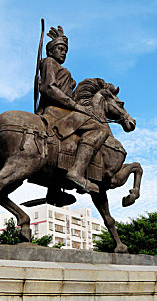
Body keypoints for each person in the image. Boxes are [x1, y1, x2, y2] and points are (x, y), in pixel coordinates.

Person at [36, 25, 109, 193]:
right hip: (56, 111)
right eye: (60, 49)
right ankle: (76, 172)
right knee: (99, 128)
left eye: (65, 50)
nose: (63, 53)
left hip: (64, 110)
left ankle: (54, 189)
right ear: (51, 50)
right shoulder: (49, 62)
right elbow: (49, 88)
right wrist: (76, 106)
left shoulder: (59, 68)